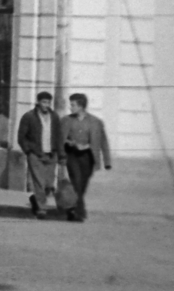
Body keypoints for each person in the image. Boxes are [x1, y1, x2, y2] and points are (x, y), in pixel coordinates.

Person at [61, 93, 112, 222]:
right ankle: (80, 213)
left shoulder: (96, 122)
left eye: (72, 105)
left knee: (82, 186)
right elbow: (59, 139)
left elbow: (103, 141)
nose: (70, 107)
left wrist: (107, 161)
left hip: (88, 158)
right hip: (72, 156)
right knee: (76, 183)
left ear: (81, 106)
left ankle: (72, 209)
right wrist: (69, 143)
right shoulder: (66, 120)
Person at [17, 91, 63, 219]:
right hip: (36, 155)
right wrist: (29, 151)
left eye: (48, 102)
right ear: (38, 102)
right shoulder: (29, 116)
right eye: (43, 102)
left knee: (49, 184)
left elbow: (59, 137)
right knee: (39, 183)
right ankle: (42, 209)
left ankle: (34, 199)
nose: (46, 105)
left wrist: (60, 154)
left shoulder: (54, 117)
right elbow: (21, 137)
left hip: (51, 155)